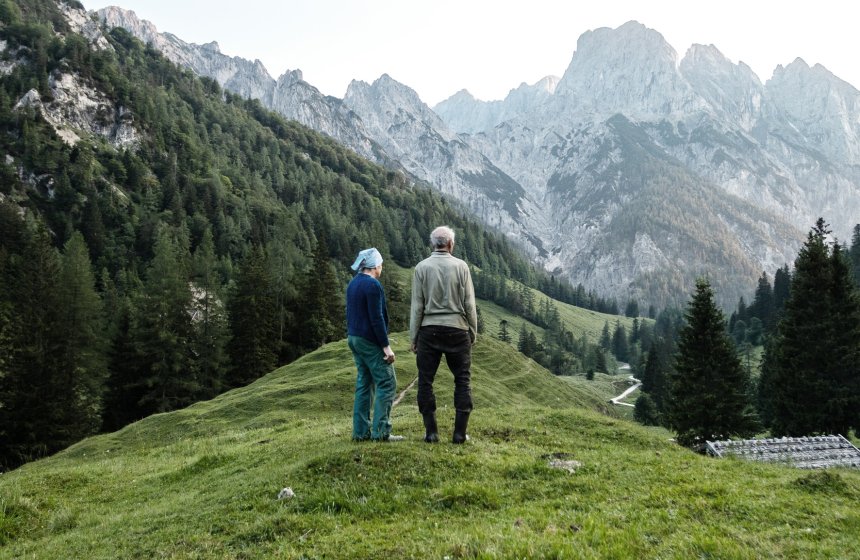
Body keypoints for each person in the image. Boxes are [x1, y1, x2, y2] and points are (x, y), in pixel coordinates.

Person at [409, 226, 478, 444]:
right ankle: (459, 434)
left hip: (429, 331)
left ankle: (431, 433)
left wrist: (414, 337)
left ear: (433, 244)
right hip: (457, 330)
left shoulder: (421, 268)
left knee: (425, 381)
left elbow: (417, 307)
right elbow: (469, 304)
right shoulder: (461, 267)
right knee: (462, 380)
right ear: (450, 244)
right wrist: (472, 331)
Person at [346, 247, 403, 442]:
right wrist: (386, 347)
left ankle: (360, 432)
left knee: (364, 382)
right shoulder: (372, 285)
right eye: (380, 264)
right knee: (387, 382)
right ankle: (380, 432)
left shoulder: (353, 283)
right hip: (369, 340)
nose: (382, 267)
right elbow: (376, 318)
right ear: (374, 266)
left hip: (354, 337)